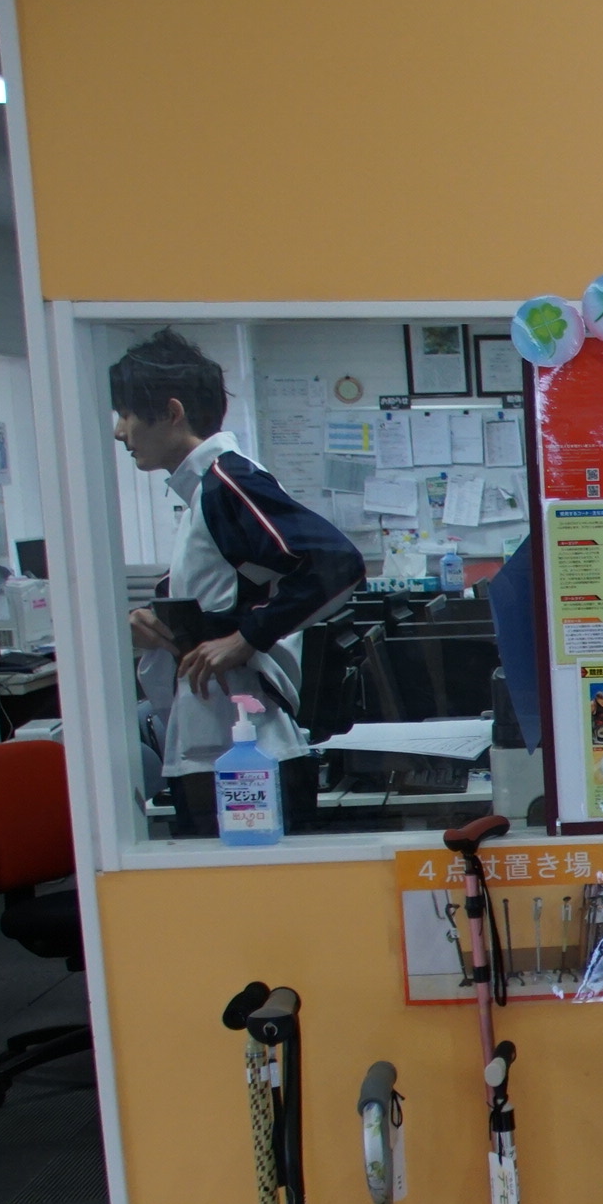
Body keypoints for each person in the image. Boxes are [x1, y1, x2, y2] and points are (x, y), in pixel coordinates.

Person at [110, 329, 364, 837]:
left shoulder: (229, 481)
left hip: (248, 746)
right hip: (216, 738)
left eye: (127, 414)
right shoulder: (204, 492)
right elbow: (221, 587)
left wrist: (246, 637)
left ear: (172, 412)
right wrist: (153, 617)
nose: (120, 432)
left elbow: (337, 561)